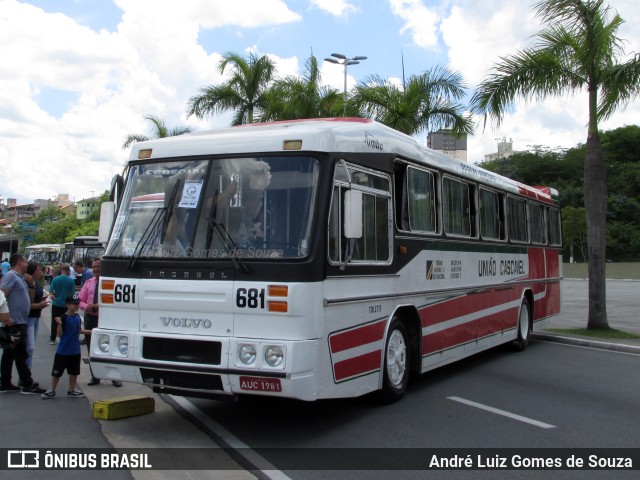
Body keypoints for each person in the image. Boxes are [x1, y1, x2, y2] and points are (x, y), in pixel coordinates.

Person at [0, 254, 46, 394]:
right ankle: (27, 383)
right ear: (19, 262)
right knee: (21, 352)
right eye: (25, 262)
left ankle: (5, 382)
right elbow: (1, 295)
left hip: (19, 320)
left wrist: (31, 284)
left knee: (9, 353)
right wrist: (4, 316)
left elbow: (28, 300)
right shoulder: (11, 276)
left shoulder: (20, 278)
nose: (27, 265)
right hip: (14, 321)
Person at [78, 258, 121, 387]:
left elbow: (115, 300)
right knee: (92, 347)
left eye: (98, 266)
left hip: (106, 318)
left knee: (110, 346)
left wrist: (99, 305)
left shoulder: (111, 283)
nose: (96, 269)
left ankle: (114, 377)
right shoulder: (88, 283)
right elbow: (80, 300)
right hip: (90, 318)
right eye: (94, 267)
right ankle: (95, 376)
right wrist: (87, 306)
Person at [41, 294, 90, 399]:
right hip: (63, 350)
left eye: (77, 304)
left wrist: (91, 331)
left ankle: (71, 390)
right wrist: (59, 324)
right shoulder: (63, 318)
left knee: (74, 372)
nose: (76, 306)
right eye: (74, 304)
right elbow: (60, 334)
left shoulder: (77, 317)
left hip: (75, 350)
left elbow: (79, 330)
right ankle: (52, 389)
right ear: (68, 305)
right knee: (57, 372)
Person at [25, 262, 49, 370]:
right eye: (38, 270)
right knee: (29, 347)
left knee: (31, 346)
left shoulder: (36, 283)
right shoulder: (29, 283)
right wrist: (39, 305)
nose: (40, 272)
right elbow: (28, 303)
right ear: (33, 272)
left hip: (36, 317)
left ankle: (27, 372)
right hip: (29, 317)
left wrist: (43, 299)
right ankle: (26, 373)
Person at [48, 264, 75, 344]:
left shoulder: (55, 279)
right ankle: (64, 338)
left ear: (61, 270)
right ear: (67, 271)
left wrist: (53, 295)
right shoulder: (71, 280)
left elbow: (51, 290)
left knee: (54, 321)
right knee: (65, 321)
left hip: (56, 303)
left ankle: (52, 339)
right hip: (66, 304)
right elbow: (72, 292)